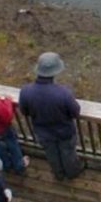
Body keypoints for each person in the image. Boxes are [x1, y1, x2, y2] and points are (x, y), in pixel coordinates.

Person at [19, 52, 85, 181]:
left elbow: (24, 111)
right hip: (64, 132)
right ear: (55, 72)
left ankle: (59, 174)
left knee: (51, 155)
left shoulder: (26, 91)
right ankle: (71, 173)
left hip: (43, 134)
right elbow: (75, 112)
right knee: (68, 154)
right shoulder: (63, 93)